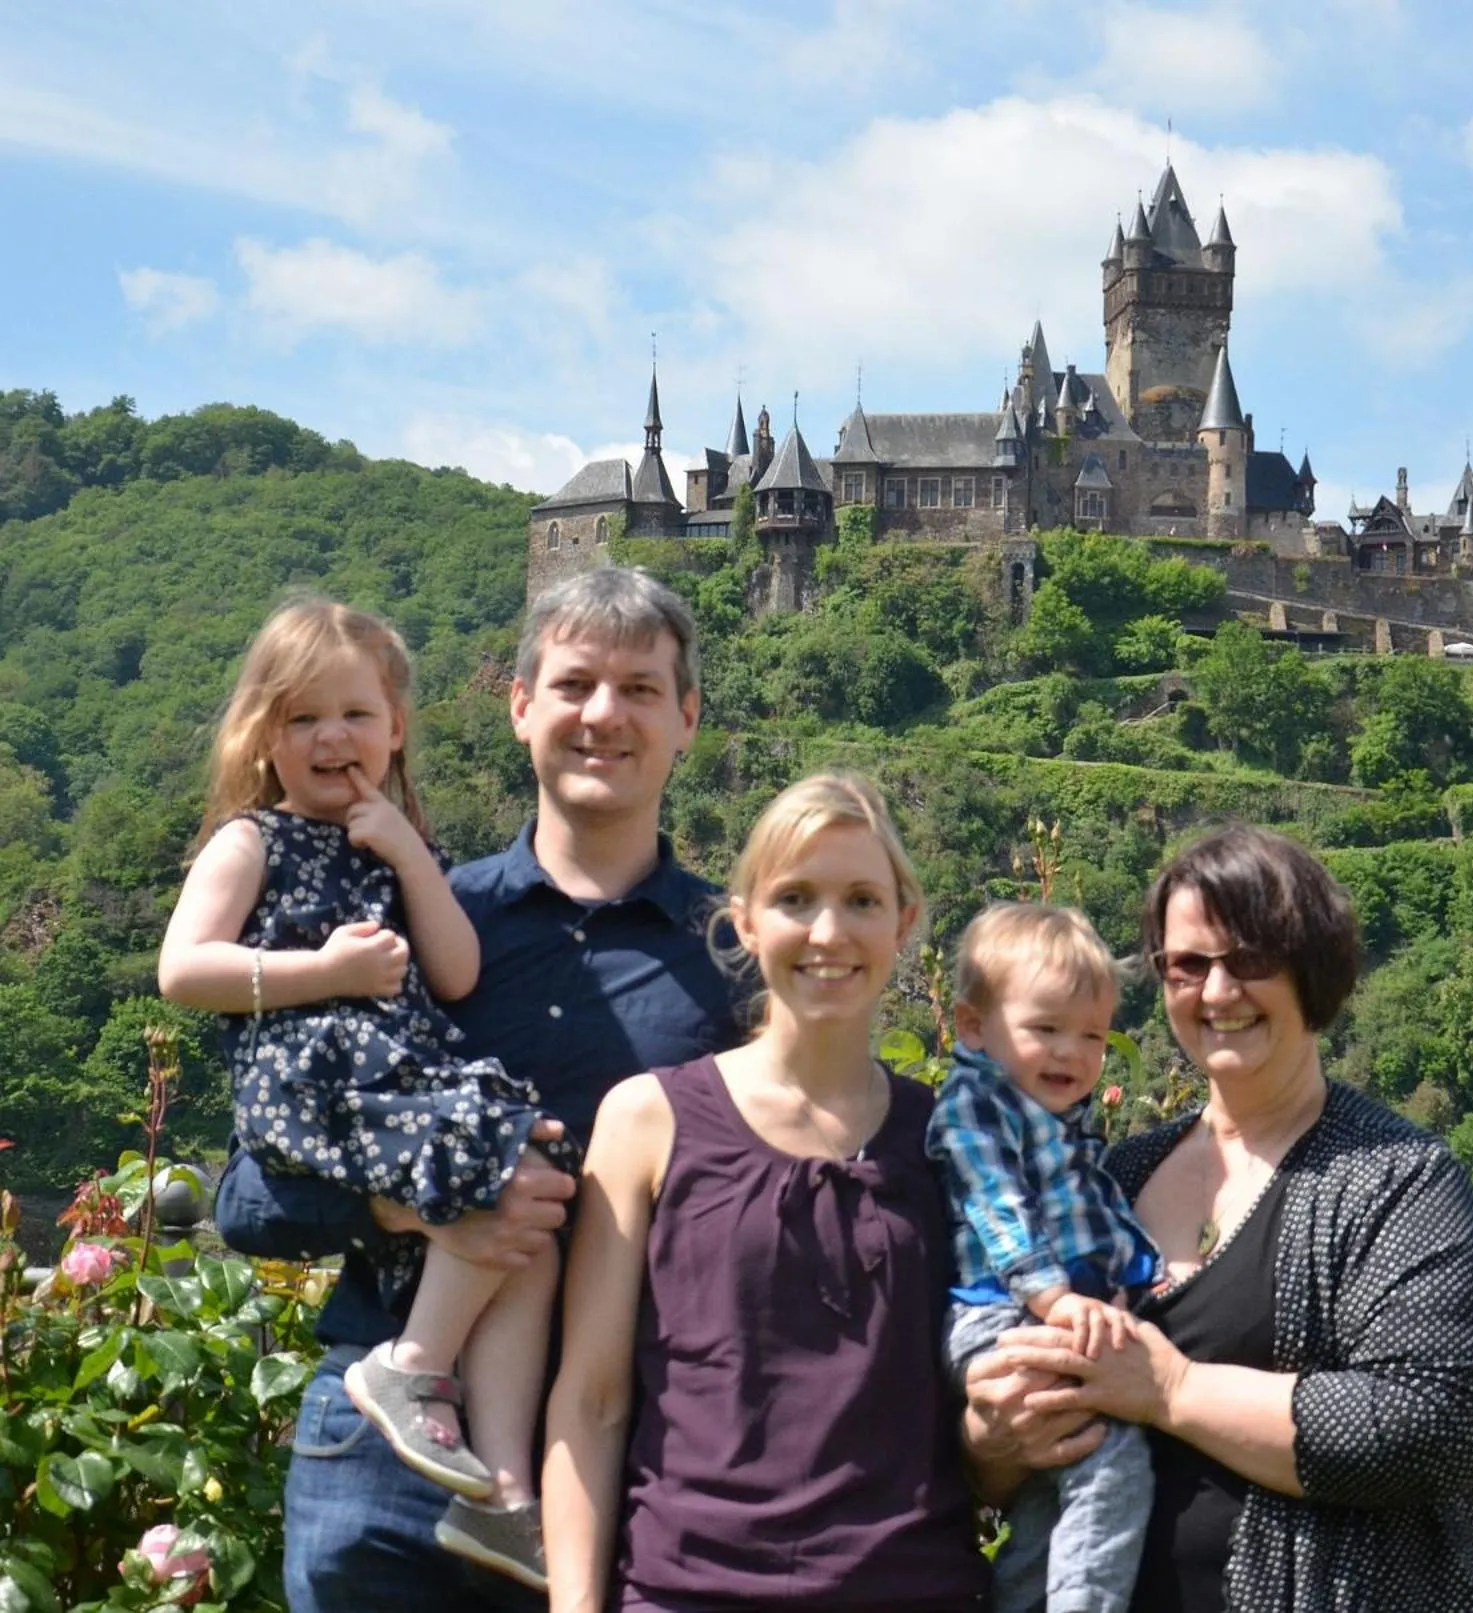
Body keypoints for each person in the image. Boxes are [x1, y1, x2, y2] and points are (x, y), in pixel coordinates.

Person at [214, 568, 738, 1613]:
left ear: (686, 719)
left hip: (632, 1460)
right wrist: (412, 1205)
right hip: (385, 1450)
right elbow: (247, 1196)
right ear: (519, 705)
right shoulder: (399, 915)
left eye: (639, 689)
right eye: (575, 682)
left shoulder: (736, 956)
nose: (603, 714)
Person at [963, 823, 1473, 1611]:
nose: (1218, 992)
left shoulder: (1397, 1177)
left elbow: (1438, 1422)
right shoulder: (1117, 1174)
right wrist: (990, 1443)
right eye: (1188, 964)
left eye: (1250, 959)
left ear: (1310, 967)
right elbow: (1008, 1448)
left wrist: (1172, 1388)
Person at [161, 599, 575, 1588]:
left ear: (396, 729)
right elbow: (184, 969)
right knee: (492, 1152)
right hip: (312, 1077)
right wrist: (324, 973)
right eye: (303, 717)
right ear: (265, 737)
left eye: (354, 713)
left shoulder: (405, 848)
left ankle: (505, 1490)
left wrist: (402, 850)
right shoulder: (251, 841)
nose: (331, 736)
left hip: (389, 1081)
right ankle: (414, 1360)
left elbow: (459, 968)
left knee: (532, 1191)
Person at [544, 772, 988, 1613]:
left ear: (903, 921)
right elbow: (592, 1399)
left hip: (913, 1588)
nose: (829, 929)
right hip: (688, 1588)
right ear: (744, 919)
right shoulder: (648, 1119)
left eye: (861, 898)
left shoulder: (950, 1138)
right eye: (795, 897)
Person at [926, 902, 1158, 1613]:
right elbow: (997, 1208)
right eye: (1045, 1029)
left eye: (1091, 1035)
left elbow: (1103, 1216)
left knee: (1046, 1492)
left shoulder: (1066, 1126)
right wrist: (1055, 1298)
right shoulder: (977, 1103)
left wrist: (1147, 1275)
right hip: (1001, 1316)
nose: (1071, 1053)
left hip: (1040, 1310)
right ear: (973, 1027)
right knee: (1112, 1451)